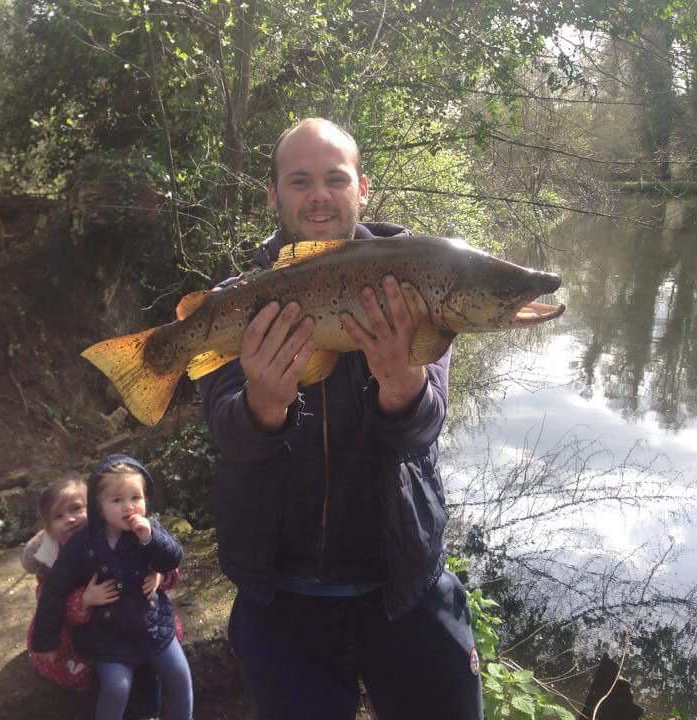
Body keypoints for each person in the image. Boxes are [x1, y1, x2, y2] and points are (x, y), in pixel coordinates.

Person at [196, 118, 484, 720]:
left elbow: (422, 432)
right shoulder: (238, 300)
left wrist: (402, 385)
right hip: (281, 595)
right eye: (299, 181)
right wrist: (264, 404)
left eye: (335, 178)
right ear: (273, 195)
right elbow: (228, 434)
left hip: (404, 583)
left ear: (363, 188)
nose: (318, 195)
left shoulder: (419, 278)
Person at [31, 455, 193, 720]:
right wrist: (45, 641)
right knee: (117, 687)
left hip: (151, 621)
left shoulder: (149, 529)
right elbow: (54, 590)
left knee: (179, 674)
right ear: (99, 506)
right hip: (106, 632)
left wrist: (151, 544)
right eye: (117, 500)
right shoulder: (83, 543)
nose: (128, 507)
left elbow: (173, 558)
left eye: (135, 498)